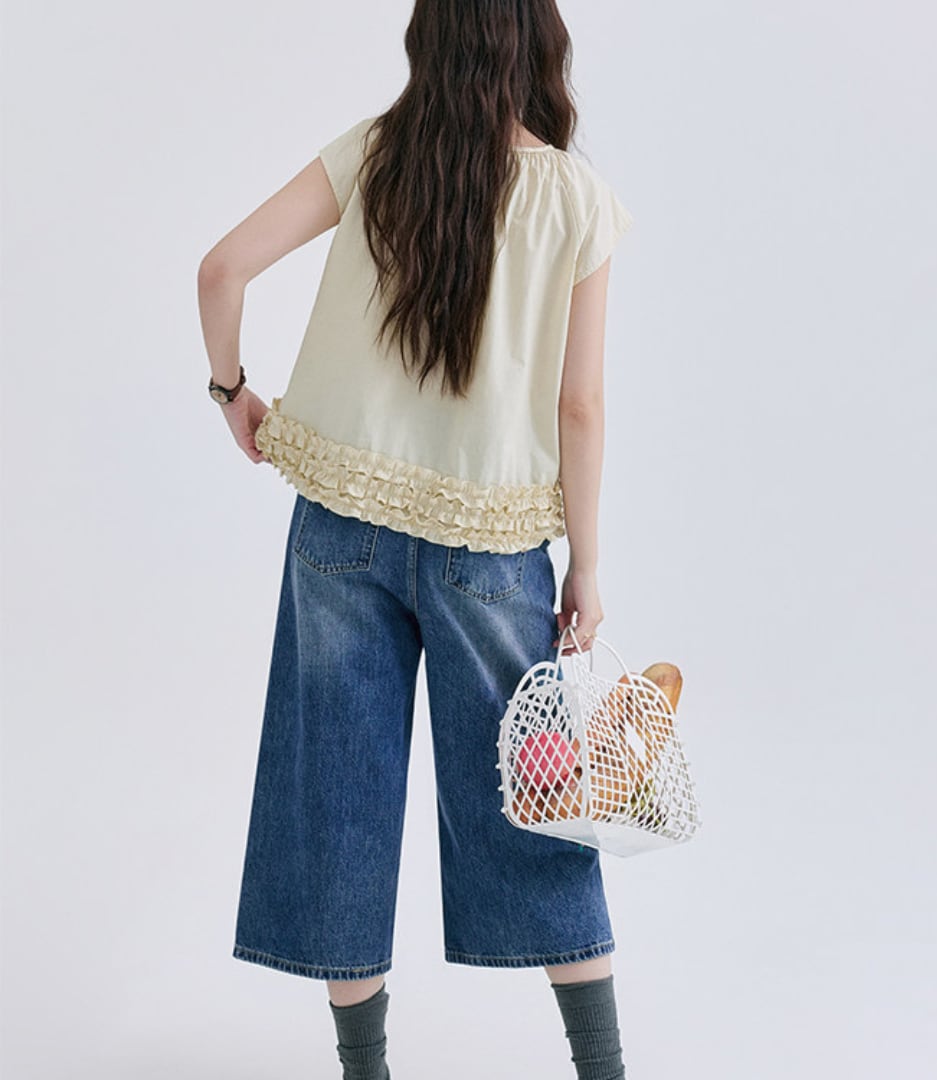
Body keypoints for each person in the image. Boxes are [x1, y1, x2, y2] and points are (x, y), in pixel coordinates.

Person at [197, 3, 634, 1077]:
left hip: (339, 531)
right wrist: (586, 563)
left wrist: (231, 392)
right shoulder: (576, 199)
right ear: (537, 45)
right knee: (538, 802)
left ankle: (366, 1071)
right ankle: (604, 1068)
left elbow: (221, 269)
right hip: (493, 554)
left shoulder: (375, 152)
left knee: (339, 796)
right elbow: (580, 406)